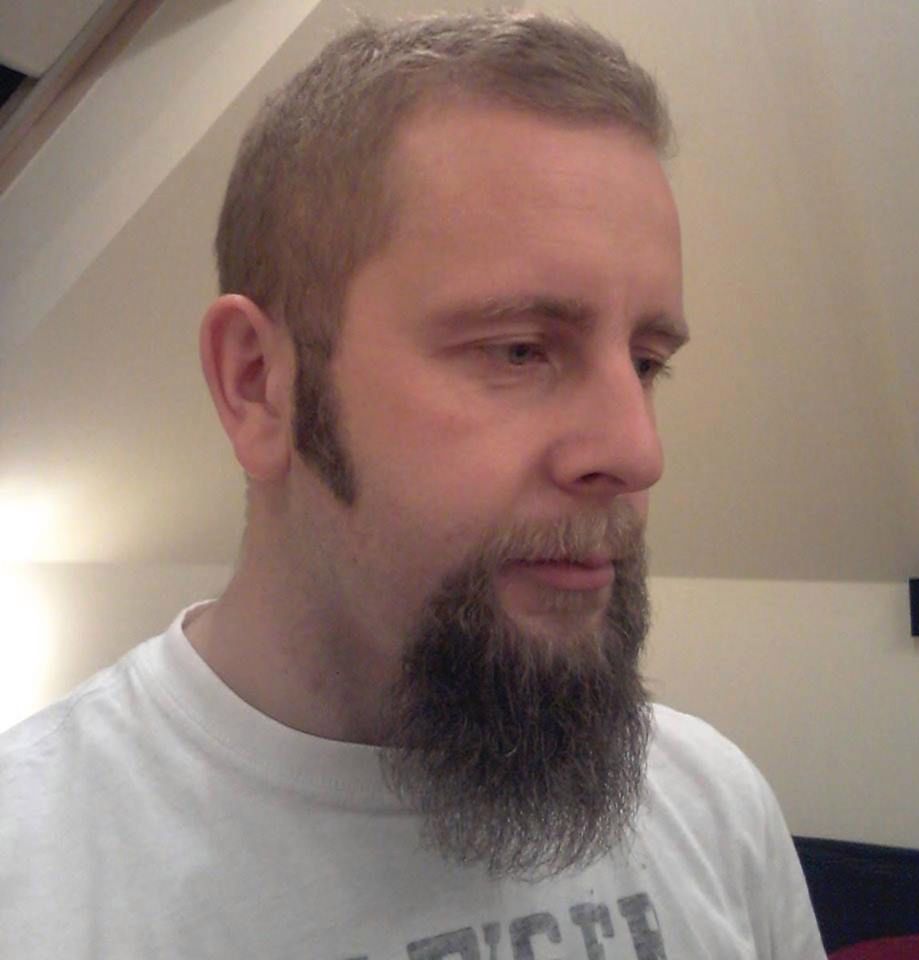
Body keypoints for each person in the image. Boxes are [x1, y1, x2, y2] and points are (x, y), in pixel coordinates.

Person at [0, 11, 826, 958]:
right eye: (518, 349)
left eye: (645, 363)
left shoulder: (716, 808)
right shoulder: (33, 880)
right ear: (258, 384)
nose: (638, 452)